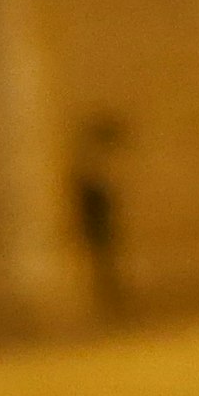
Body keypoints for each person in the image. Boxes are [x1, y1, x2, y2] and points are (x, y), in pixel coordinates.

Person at [70, 114, 128, 317]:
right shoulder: (90, 178)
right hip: (97, 227)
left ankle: (109, 297)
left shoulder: (95, 176)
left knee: (105, 264)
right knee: (102, 264)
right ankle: (105, 298)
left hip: (101, 226)